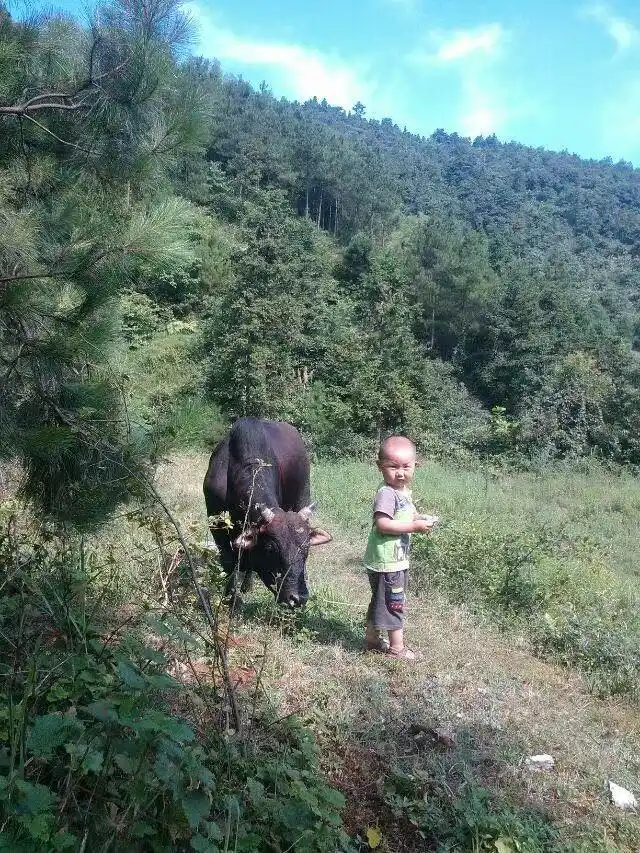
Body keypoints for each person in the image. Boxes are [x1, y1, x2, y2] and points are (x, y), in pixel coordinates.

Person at [363, 435, 437, 660]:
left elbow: (406, 514)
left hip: (394, 559)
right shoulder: (387, 493)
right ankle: (397, 649)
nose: (400, 472)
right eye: (393, 467)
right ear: (380, 467)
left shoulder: (402, 492)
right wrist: (414, 527)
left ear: (416, 465)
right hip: (387, 562)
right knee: (394, 603)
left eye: (406, 466)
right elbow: (383, 524)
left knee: (381, 600)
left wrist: (419, 518)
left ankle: (372, 640)